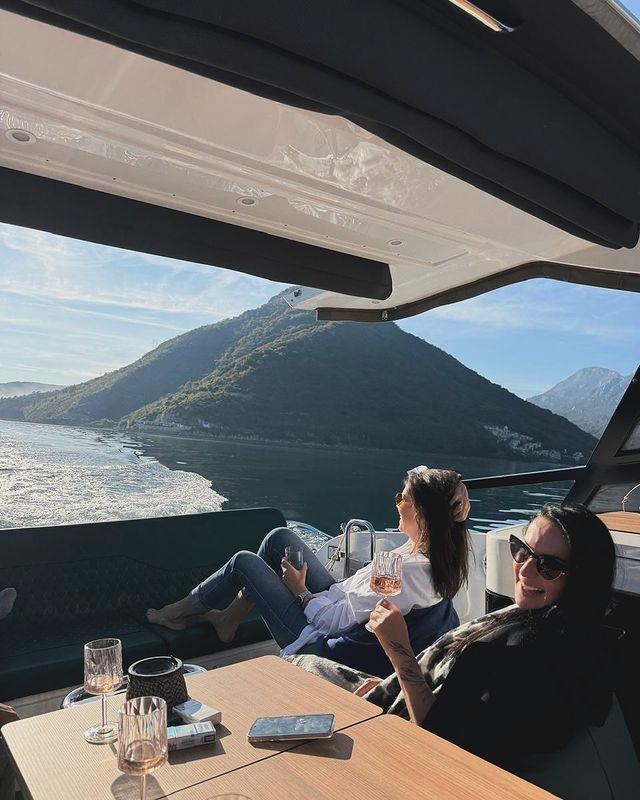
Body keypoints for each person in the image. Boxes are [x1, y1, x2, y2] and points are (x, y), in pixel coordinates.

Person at [290, 503, 616, 770]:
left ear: (581, 578)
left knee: (295, 666)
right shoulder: (580, 641)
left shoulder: (514, 654)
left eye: (549, 566)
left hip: (392, 734)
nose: (525, 570)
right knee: (303, 665)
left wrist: (398, 648)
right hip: (397, 696)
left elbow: (438, 739)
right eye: (522, 551)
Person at [147, 467, 471, 670]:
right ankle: (228, 619)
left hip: (320, 640)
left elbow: (334, 624)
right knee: (279, 538)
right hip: (334, 602)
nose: (397, 503)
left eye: (403, 499)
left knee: (244, 562)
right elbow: (353, 603)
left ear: (423, 514)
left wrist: (300, 591)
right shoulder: (429, 554)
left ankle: (176, 612)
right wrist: (454, 483)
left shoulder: (405, 572)